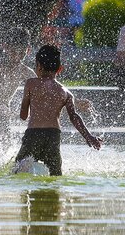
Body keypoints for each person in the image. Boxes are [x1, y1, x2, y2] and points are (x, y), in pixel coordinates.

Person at [14, 45, 102, 176]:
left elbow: (23, 115)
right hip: (53, 136)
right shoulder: (66, 92)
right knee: (55, 173)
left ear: (38, 65)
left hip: (33, 135)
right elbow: (74, 117)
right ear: (60, 69)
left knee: (17, 169)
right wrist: (88, 137)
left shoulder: (31, 84)